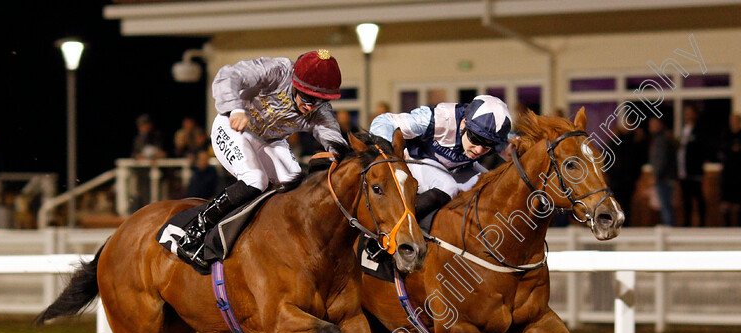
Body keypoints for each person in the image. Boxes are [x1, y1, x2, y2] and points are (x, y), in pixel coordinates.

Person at [176, 49, 348, 267]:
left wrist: (339, 155)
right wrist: (235, 109)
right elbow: (228, 74)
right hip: (232, 126)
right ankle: (196, 230)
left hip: (269, 141)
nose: (310, 107)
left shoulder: (318, 109)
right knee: (256, 179)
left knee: (294, 182)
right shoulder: (278, 70)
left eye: (319, 100)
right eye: (307, 98)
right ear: (295, 83)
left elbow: (331, 133)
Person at [369, 94, 512, 220]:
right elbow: (383, 121)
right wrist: (389, 157)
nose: (479, 149)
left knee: (495, 187)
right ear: (463, 124)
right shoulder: (437, 118)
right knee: (447, 186)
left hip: (456, 168)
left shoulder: (496, 138)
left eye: (488, 145)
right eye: (476, 139)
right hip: (417, 159)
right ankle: (400, 222)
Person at [607, 119, 648, 225]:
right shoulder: (622, 143)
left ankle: (622, 224)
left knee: (623, 205)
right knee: (621, 205)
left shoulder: (631, 143)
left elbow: (638, 161)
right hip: (620, 180)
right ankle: (621, 224)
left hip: (624, 180)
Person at [677, 105, 706, 226]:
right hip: (683, 171)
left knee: (698, 197)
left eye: (690, 113)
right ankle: (687, 224)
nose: (688, 115)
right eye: (686, 113)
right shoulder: (683, 130)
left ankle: (702, 224)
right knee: (686, 200)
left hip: (695, 171)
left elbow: (701, 149)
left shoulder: (700, 130)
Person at [719, 113, 741, 226]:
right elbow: (722, 151)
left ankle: (740, 226)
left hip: (739, 173)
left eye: (736, 121)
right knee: (725, 202)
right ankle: (727, 227)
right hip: (727, 172)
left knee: (738, 202)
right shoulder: (726, 135)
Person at [648, 117, 677, 226]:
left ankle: (669, 227)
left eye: (653, 124)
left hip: (664, 178)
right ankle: (668, 225)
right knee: (665, 204)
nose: (650, 127)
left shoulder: (661, 140)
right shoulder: (661, 138)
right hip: (665, 178)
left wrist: (656, 176)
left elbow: (661, 160)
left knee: (665, 205)